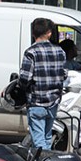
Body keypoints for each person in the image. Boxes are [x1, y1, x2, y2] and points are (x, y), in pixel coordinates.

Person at [19, 18, 67, 151]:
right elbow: (63, 74)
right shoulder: (60, 51)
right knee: (46, 137)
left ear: (33, 33)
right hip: (54, 101)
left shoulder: (31, 52)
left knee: (39, 140)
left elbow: (25, 79)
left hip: (36, 102)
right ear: (49, 33)